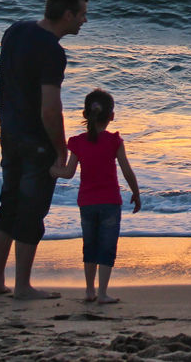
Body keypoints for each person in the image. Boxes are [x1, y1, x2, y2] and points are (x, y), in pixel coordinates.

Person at [0, 0, 88, 300]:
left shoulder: (15, 31)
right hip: (36, 142)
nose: (84, 21)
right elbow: (50, 107)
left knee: (9, 205)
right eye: (82, 15)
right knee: (32, 212)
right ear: (67, 14)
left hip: (9, 134)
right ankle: (23, 287)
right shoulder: (52, 52)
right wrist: (61, 149)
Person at [50, 89, 142, 304]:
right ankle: (102, 293)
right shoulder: (114, 142)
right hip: (110, 202)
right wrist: (136, 194)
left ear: (85, 114)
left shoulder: (79, 142)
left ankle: (89, 291)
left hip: (87, 203)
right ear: (111, 116)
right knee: (107, 247)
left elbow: (68, 173)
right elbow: (127, 171)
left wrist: (51, 171)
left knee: (90, 245)